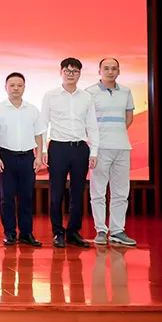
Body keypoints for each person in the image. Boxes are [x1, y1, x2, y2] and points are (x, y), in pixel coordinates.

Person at [41, 57, 100, 248]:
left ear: (80, 74)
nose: (71, 74)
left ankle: (73, 232)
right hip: (58, 147)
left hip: (80, 148)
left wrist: (94, 151)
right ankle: (57, 232)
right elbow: (43, 124)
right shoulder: (50, 95)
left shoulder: (86, 97)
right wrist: (43, 150)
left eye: (75, 71)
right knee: (56, 192)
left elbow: (92, 125)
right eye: (67, 71)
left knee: (77, 192)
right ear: (61, 72)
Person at [86, 58, 137, 247]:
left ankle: (117, 231)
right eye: (106, 68)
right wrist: (97, 141)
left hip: (122, 147)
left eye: (114, 68)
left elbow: (129, 116)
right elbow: (86, 121)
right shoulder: (89, 93)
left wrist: (117, 133)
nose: (110, 71)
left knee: (121, 192)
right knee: (98, 191)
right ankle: (101, 230)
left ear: (119, 71)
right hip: (99, 149)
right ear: (99, 71)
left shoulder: (126, 91)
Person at [0, 72, 46, 247]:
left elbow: (38, 134)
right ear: (6, 87)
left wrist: (38, 156)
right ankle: (9, 233)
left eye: (19, 85)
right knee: (7, 198)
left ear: (24, 87)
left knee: (26, 197)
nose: (16, 88)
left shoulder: (32, 109)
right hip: (6, 157)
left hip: (28, 157)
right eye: (12, 85)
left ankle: (26, 233)